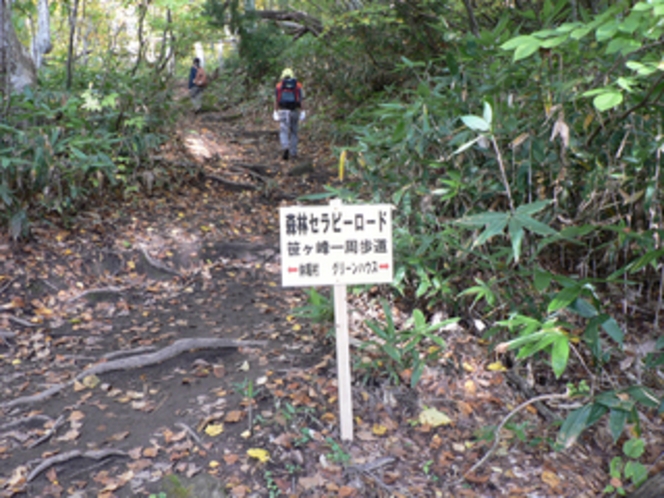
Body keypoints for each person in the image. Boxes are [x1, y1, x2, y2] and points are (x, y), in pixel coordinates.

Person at [274, 68, 305, 161]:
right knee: (294, 132)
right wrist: (303, 111)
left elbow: (276, 100)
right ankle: (293, 153)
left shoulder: (279, 86)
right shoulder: (298, 85)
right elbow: (301, 99)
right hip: (294, 111)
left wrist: (275, 111)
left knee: (283, 130)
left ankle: (285, 146)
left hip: (283, 110)